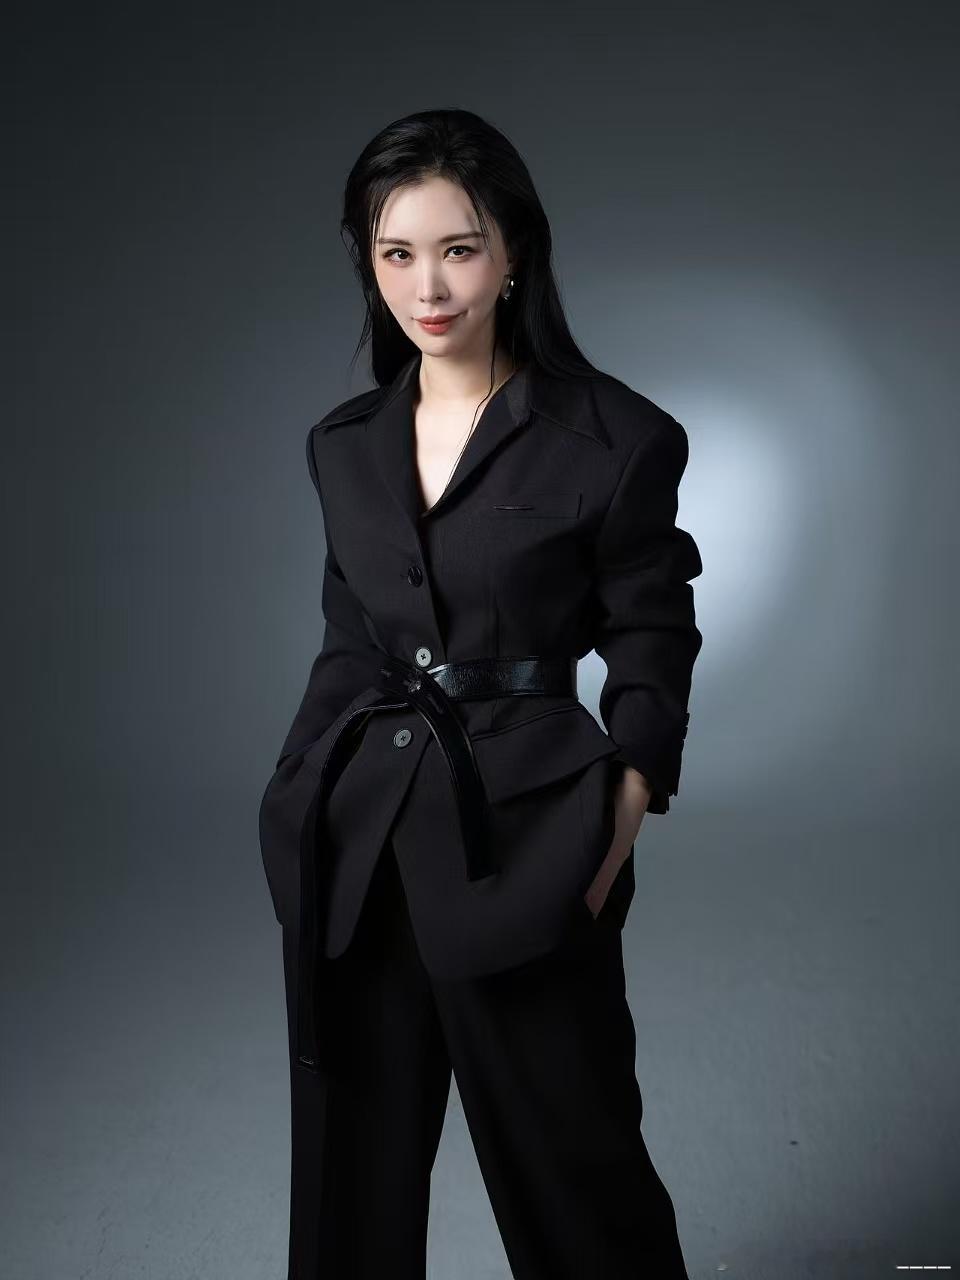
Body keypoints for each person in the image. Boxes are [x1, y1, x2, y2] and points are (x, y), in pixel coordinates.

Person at [258, 107, 703, 1279]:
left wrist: (625, 804)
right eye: (397, 252)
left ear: (513, 254)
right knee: (348, 1191)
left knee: (579, 1175)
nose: (429, 285)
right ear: (367, 261)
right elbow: (348, 643)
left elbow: (654, 630)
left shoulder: (615, 437)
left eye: (458, 248)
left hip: (528, 841)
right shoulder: (344, 443)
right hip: (355, 846)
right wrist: (296, 801)